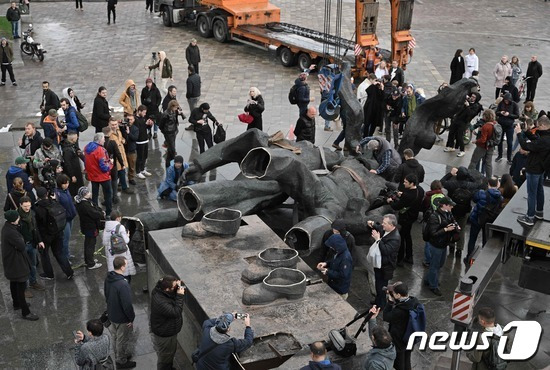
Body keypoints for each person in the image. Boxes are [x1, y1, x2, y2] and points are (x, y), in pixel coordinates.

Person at [2, 210, 39, 320]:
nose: (19, 218)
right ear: (14, 220)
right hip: (17, 263)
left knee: (14, 283)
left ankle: (16, 303)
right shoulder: (12, 232)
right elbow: (21, 246)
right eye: (17, 217)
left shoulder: (7, 228)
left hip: (11, 263)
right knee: (21, 287)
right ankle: (25, 312)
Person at [440, 167, 484, 257]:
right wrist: (469, 175)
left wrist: (450, 174)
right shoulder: (470, 185)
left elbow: (442, 181)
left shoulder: (452, 184)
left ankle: (451, 245)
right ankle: (459, 249)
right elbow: (478, 183)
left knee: (451, 226)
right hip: (465, 210)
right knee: (462, 229)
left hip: (452, 209)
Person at [33, 187, 74, 280]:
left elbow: (37, 226)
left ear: (37, 196)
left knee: (44, 254)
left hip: (45, 236)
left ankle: (49, 274)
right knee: (59, 253)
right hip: (58, 232)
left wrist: (39, 240)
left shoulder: (38, 208)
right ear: (46, 194)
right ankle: (69, 272)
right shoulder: (54, 202)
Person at [515, 116, 550, 226]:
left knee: (531, 193)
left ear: (544, 125)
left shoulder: (544, 140)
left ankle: (529, 217)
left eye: (539, 126)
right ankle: (539, 212)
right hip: (541, 168)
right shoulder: (547, 137)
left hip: (534, 168)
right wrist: (527, 131)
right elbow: (537, 140)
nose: (538, 128)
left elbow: (526, 145)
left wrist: (519, 133)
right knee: (539, 190)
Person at [104, 256, 136, 369]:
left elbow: (106, 295)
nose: (126, 266)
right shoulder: (123, 284)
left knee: (115, 337)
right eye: (126, 265)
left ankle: (118, 354)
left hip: (112, 313)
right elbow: (127, 305)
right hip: (122, 318)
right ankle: (121, 360)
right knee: (121, 339)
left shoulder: (108, 278)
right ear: (122, 267)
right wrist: (131, 318)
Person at [424, 197, 458, 296]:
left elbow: (453, 220)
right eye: (450, 205)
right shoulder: (434, 216)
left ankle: (429, 279)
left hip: (443, 243)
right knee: (435, 265)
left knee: (439, 264)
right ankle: (433, 286)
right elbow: (433, 233)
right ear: (444, 205)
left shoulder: (448, 213)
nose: (452, 206)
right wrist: (446, 230)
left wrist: (456, 226)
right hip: (436, 245)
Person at [383, 282, 420, 370]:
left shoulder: (399, 311)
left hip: (399, 339)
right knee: (407, 359)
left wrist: (389, 302)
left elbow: (386, 316)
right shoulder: (414, 301)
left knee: (399, 363)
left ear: (399, 295)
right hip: (410, 337)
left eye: (394, 293)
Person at [150, 276, 185, 370]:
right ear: (167, 289)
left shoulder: (160, 289)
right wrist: (180, 296)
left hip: (167, 330)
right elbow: (176, 312)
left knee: (169, 353)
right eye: (174, 286)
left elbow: (164, 284)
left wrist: (178, 285)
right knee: (165, 357)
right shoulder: (161, 302)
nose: (176, 287)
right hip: (165, 334)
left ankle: (169, 367)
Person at [388, 174, 424, 265]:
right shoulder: (420, 190)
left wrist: (390, 201)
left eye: (406, 182)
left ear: (412, 183)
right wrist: (403, 194)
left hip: (405, 218)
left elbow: (396, 206)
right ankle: (409, 256)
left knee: (402, 237)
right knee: (408, 236)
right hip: (413, 216)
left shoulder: (407, 196)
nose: (404, 183)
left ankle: (400, 259)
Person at [465, 178, 503, 264]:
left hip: (477, 219)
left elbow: (474, 199)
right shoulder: (500, 197)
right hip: (489, 221)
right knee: (486, 240)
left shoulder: (481, 193)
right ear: (497, 185)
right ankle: (483, 260)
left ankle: (469, 257)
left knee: (472, 238)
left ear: (488, 184)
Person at [367, 214, 400, 309]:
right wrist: (373, 224)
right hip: (380, 264)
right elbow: (380, 227)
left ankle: (380, 304)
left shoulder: (395, 238)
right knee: (378, 284)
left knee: (381, 286)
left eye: (385, 223)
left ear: (391, 225)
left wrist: (378, 239)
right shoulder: (386, 229)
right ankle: (378, 300)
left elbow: (386, 251)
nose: (382, 224)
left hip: (386, 266)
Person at [18, 196, 45, 292]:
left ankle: (33, 282)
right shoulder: (17, 217)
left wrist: (39, 240)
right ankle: (24, 288)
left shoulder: (32, 214)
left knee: (33, 265)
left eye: (29, 206)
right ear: (20, 205)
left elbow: (35, 229)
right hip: (22, 245)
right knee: (23, 267)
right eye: (25, 206)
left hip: (32, 244)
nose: (27, 208)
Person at [444, 92, 483, 157]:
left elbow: (470, 114)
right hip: (457, 119)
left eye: (474, 97)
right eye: (472, 96)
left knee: (460, 136)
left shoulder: (476, 106)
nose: (472, 98)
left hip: (464, 122)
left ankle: (462, 150)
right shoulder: (467, 101)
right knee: (451, 133)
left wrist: (467, 106)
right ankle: (451, 146)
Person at [84, 133, 113, 217]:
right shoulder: (101, 150)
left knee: (95, 195)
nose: (104, 140)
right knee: (108, 195)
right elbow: (104, 167)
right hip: (103, 177)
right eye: (103, 138)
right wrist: (110, 164)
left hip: (93, 176)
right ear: (100, 140)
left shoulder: (87, 147)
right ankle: (108, 212)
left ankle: (95, 211)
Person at [74, 186, 104, 270]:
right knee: (90, 244)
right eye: (87, 193)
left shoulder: (85, 202)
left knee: (88, 243)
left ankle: (89, 259)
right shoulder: (84, 205)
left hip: (87, 227)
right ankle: (91, 263)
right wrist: (101, 214)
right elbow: (94, 213)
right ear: (83, 195)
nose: (89, 193)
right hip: (90, 227)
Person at [102, 210, 136, 282]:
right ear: (118, 218)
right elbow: (126, 241)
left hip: (111, 253)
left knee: (115, 271)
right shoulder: (120, 227)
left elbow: (104, 242)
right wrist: (127, 235)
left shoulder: (106, 228)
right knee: (124, 271)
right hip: (121, 253)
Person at [316, 234, 353, 299]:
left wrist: (327, 271)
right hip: (333, 285)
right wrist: (326, 263)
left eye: (332, 246)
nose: (331, 247)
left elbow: (343, 275)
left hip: (340, 289)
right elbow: (334, 261)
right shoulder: (338, 252)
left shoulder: (345, 258)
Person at [55, 174, 77, 263]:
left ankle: (67, 254)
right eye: (64, 183)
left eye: (67, 183)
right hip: (64, 220)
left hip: (70, 217)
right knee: (65, 239)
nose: (67, 185)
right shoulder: (57, 193)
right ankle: (65, 258)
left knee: (67, 237)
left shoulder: (66, 190)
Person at [468, 109, 497, 179]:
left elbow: (483, 140)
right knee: (488, 164)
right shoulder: (495, 124)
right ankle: (489, 179)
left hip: (482, 147)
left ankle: (468, 175)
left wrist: (476, 141)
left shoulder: (485, 126)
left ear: (486, 117)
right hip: (491, 146)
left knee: (474, 161)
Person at [109, 117, 134, 195]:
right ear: (109, 124)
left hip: (121, 154)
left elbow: (121, 138)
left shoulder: (118, 131)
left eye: (116, 124)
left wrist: (123, 140)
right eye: (112, 124)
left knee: (122, 172)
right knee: (115, 174)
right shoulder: (108, 134)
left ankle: (124, 187)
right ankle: (114, 191)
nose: (114, 126)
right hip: (115, 156)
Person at [495, 93, 519, 164]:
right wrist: (501, 112)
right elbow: (497, 112)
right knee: (499, 141)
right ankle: (500, 155)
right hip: (501, 124)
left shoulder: (514, 105)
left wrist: (509, 115)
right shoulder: (501, 103)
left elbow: (517, 115)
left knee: (509, 142)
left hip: (509, 126)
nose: (506, 102)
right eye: (505, 100)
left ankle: (509, 158)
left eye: (507, 101)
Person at [159, 100, 185, 166]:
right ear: (171, 106)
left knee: (171, 149)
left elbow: (179, 117)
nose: (176, 108)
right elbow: (161, 124)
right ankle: (173, 161)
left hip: (174, 131)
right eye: (175, 107)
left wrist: (180, 112)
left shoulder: (174, 111)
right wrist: (164, 131)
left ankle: (169, 162)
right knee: (172, 149)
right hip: (168, 132)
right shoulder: (165, 114)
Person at [60, 132, 84, 196]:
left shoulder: (72, 146)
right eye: (76, 138)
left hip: (76, 170)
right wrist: (72, 175)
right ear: (73, 139)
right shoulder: (67, 150)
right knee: (75, 189)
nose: (77, 138)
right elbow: (68, 163)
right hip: (73, 173)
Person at [135, 105, 154, 179]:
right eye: (143, 112)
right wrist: (145, 124)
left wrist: (149, 125)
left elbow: (146, 128)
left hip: (145, 139)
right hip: (139, 141)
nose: (145, 114)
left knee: (145, 156)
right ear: (139, 111)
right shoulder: (136, 119)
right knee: (139, 157)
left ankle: (142, 169)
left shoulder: (143, 118)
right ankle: (138, 171)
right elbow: (139, 129)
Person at [125, 114, 139, 185]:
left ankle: (131, 178)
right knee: (122, 167)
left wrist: (129, 133)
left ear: (134, 120)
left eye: (131, 119)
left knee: (132, 166)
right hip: (124, 150)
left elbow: (135, 138)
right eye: (128, 119)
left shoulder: (135, 128)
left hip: (131, 149)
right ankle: (121, 180)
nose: (129, 121)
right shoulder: (122, 127)